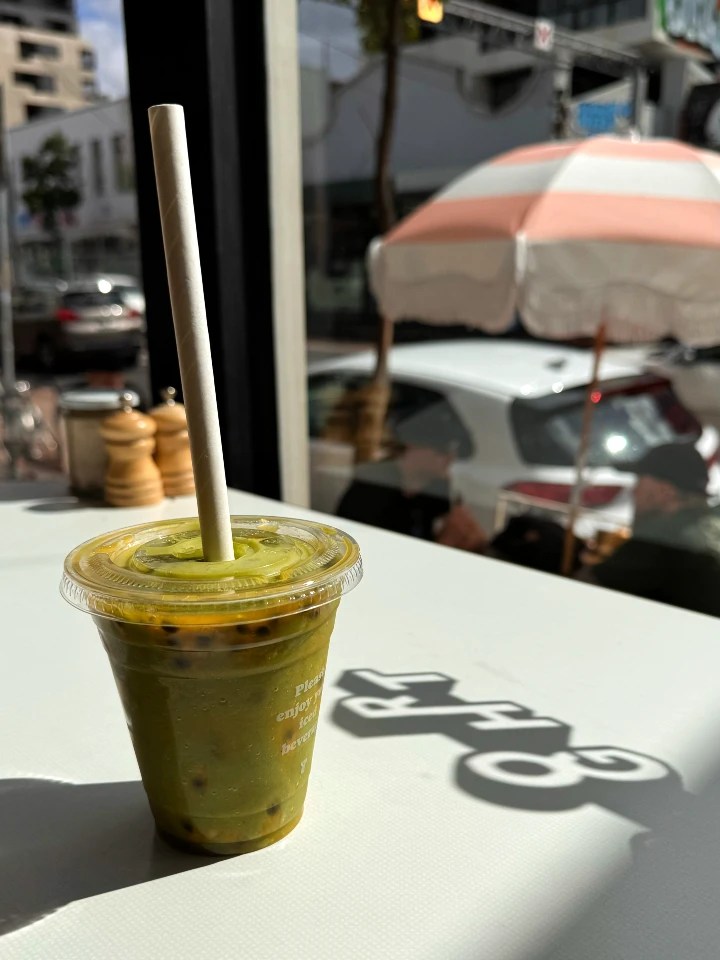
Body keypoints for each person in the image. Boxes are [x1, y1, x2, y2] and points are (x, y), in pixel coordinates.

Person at [580, 444, 720, 618]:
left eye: (639, 482)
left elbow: (585, 593)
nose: (634, 491)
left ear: (665, 491)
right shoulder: (707, 527)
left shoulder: (662, 541)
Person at [336, 400, 487, 552]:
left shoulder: (438, 488)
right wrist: (445, 544)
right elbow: (372, 555)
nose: (450, 459)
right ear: (412, 446)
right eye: (442, 449)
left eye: (453, 451)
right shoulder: (373, 486)